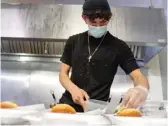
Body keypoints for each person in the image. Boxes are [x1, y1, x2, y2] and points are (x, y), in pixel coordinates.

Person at [59, 0, 149, 112]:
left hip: (96, 110)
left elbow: (138, 76)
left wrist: (141, 89)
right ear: (84, 18)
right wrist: (73, 89)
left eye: (102, 23)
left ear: (109, 18)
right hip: (67, 106)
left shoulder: (119, 46)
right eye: (93, 23)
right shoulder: (73, 41)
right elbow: (63, 74)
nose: (98, 26)